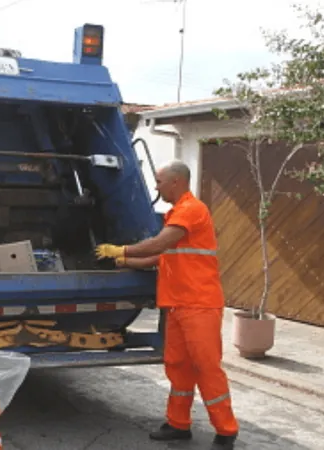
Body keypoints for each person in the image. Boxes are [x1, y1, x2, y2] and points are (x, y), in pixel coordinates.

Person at [95, 160, 239, 450]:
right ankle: (177, 424)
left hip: (199, 304)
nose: (156, 186)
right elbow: (160, 258)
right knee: (178, 366)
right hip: (177, 306)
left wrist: (122, 249)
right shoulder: (176, 214)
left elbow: (159, 245)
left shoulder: (191, 210)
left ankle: (226, 430)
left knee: (205, 366)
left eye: (160, 181)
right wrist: (122, 262)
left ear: (176, 182)